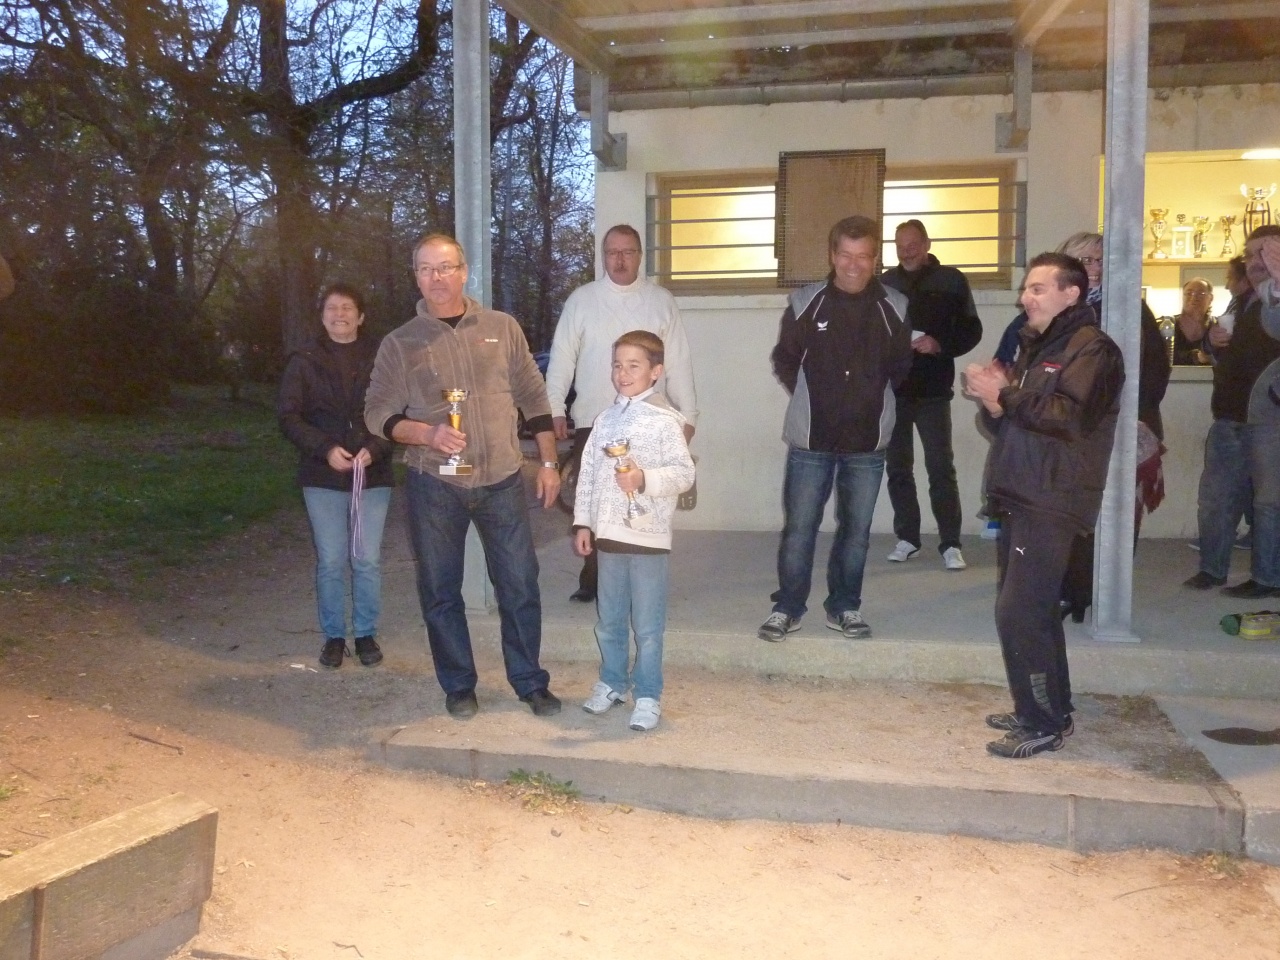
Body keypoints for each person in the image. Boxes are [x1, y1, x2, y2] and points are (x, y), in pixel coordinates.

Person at [364, 233, 563, 718]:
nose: (437, 277)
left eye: (446, 267)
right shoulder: (400, 343)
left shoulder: (501, 327)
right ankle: (458, 685)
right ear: (416, 276)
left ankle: (529, 681)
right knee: (440, 589)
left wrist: (549, 463)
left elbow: (534, 398)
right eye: (426, 269)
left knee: (520, 584)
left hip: (501, 480)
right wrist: (426, 434)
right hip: (435, 483)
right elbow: (377, 414)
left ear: (464, 271)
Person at [963, 252, 1125, 758]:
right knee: (1034, 610)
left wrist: (1007, 394)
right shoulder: (1040, 346)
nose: (1024, 298)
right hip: (1022, 489)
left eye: (1036, 289)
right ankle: (1051, 708)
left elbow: (1070, 419)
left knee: (1019, 611)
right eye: (1025, 289)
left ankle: (1042, 724)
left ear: (1070, 293)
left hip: (1054, 495)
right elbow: (1018, 422)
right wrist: (994, 404)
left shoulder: (1093, 349)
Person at [994, 231, 1169, 621]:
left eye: (1101, 261)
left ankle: (1105, 597)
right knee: (1063, 524)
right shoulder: (1034, 317)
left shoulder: (1129, 310)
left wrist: (1134, 417)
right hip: (1053, 439)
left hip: (1117, 427)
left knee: (1117, 517)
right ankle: (1066, 592)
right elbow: (1009, 363)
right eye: (1085, 261)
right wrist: (1001, 394)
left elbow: (1154, 370)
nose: (1095, 268)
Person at [758, 215, 913, 642]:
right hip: (811, 439)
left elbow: (901, 367)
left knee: (856, 532)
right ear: (832, 255)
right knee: (799, 529)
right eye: (845, 254)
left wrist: (870, 395)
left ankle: (844, 606)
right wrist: (811, 396)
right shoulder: (806, 302)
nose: (853, 265)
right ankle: (788, 607)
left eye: (863, 256)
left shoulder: (895, 306)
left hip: (867, 442)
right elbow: (784, 359)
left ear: (875, 259)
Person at [546, 224, 698, 603]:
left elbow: (678, 361)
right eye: (612, 252)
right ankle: (594, 579)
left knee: (639, 499)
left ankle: (640, 581)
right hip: (593, 421)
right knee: (596, 500)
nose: (619, 259)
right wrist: (554, 408)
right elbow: (562, 357)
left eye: (627, 252)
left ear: (639, 256)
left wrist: (688, 414)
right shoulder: (582, 300)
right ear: (603, 256)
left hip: (647, 422)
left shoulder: (660, 301)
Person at [573, 330, 695, 732]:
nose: (622, 373)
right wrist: (584, 522)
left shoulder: (667, 421)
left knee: (647, 626)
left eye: (633, 365)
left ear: (655, 371)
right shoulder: (604, 421)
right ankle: (612, 682)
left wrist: (644, 479)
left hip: (647, 541)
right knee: (609, 619)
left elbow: (684, 474)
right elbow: (588, 475)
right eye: (617, 365)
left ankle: (647, 694)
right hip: (608, 538)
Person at [278, 283, 394, 669]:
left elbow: (397, 411)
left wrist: (375, 448)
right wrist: (325, 448)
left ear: (361, 316)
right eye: (332, 308)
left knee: (366, 559)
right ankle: (333, 635)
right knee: (330, 559)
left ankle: (365, 633)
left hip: (371, 474)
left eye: (347, 308)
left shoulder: (383, 357)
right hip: (321, 475)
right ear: (322, 315)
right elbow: (289, 416)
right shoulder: (303, 360)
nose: (339, 314)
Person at [880, 219, 983, 570]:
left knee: (941, 468)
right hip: (894, 391)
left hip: (934, 392)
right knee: (898, 468)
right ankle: (908, 538)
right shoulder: (885, 284)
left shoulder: (952, 280)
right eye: (900, 246)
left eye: (912, 244)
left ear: (927, 244)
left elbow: (971, 329)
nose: (906, 251)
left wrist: (939, 344)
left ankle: (950, 543)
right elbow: (873, 332)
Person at [1184, 225, 1280, 600]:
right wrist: (1212, 341)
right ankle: (1212, 569)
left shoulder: (1273, 298)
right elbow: (1224, 352)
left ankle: (1268, 578)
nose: (1255, 261)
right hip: (1228, 417)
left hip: (1269, 420)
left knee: (1269, 504)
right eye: (1251, 253)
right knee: (1215, 501)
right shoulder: (1241, 300)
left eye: (1266, 253)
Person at [1167, 278, 1216, 366]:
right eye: (1189, 293)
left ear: (1211, 298)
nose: (1194, 298)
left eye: (1201, 294)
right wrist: (1197, 357)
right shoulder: (1167, 326)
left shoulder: (1218, 328)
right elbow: (1159, 357)